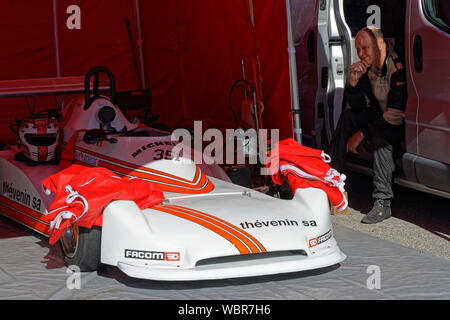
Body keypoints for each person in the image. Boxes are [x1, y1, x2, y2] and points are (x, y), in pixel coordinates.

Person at [329, 26, 407, 224]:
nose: (361, 54)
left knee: (381, 138)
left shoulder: (397, 67)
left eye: (365, 48)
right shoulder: (369, 68)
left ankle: (382, 203)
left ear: (380, 45)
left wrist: (362, 134)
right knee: (348, 117)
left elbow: (395, 115)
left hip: (399, 122)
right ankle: (330, 180)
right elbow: (359, 106)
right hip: (381, 114)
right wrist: (353, 83)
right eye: (358, 49)